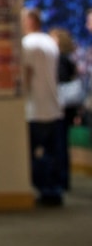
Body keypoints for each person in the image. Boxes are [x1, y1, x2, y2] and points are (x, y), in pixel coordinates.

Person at [21, 7, 65, 206]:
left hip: (35, 109)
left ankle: (44, 190)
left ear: (29, 21)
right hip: (54, 107)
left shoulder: (27, 44)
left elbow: (27, 75)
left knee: (36, 156)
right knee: (52, 154)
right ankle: (54, 190)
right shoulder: (50, 42)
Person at [50, 27, 82, 191]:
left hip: (61, 107)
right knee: (62, 144)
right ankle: (63, 180)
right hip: (68, 107)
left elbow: (60, 82)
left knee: (60, 145)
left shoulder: (60, 60)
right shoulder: (69, 59)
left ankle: (61, 181)